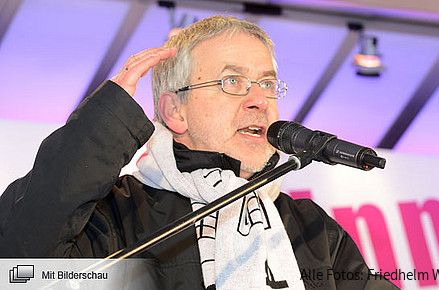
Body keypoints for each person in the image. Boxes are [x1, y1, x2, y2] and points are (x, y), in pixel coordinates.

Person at [0, 16, 397, 289]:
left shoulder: (310, 228)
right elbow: (22, 259)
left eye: (267, 84)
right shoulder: (118, 216)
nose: (259, 100)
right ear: (175, 110)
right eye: (232, 81)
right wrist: (106, 119)